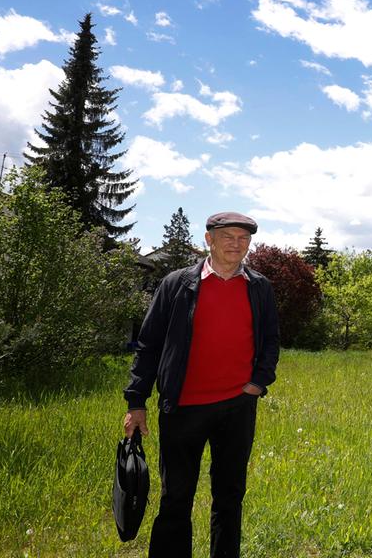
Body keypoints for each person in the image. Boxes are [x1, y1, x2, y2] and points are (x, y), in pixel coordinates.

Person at [122, 211, 280, 558]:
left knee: (229, 497)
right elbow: (148, 344)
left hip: (237, 407)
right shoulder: (176, 284)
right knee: (175, 496)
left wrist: (257, 383)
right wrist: (136, 401)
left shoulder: (260, 287)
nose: (236, 245)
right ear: (208, 240)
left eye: (243, 239)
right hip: (183, 407)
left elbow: (270, 341)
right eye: (228, 237)